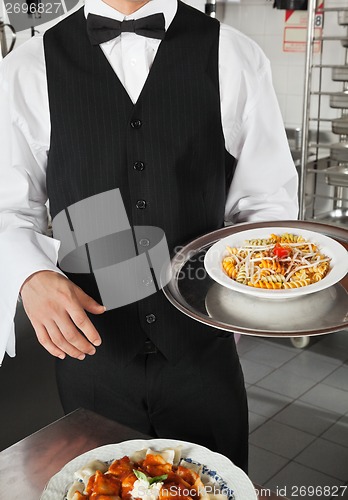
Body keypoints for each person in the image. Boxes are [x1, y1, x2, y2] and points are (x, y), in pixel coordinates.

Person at [0, 0, 298, 473]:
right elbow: (9, 207)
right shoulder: (27, 65)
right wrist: (30, 274)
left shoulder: (235, 55)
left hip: (204, 355)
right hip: (91, 354)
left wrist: (267, 281)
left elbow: (265, 205)